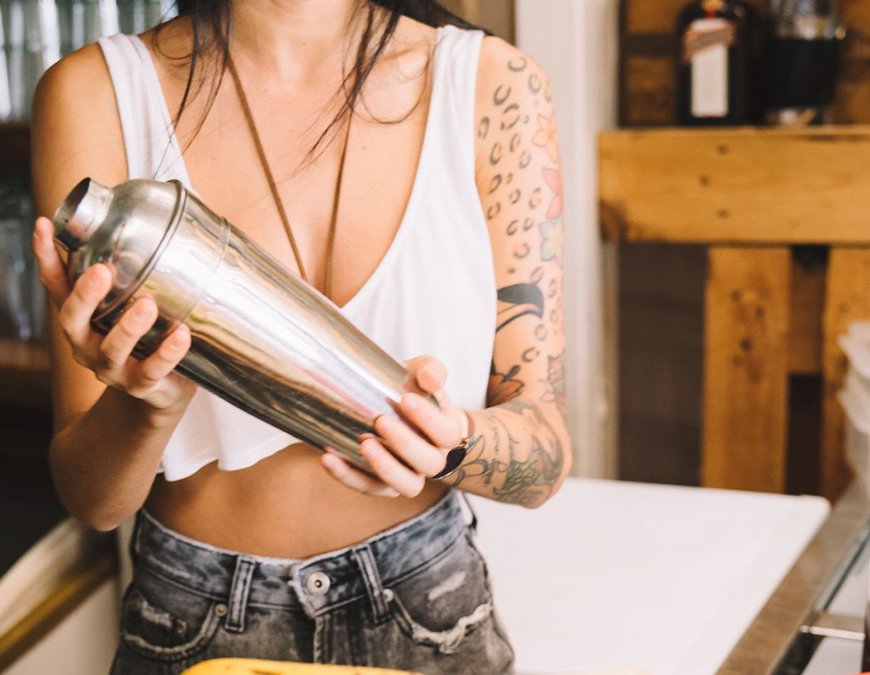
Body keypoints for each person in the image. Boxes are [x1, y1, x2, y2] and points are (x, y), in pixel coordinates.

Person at [29, 0, 572, 671]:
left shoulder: (492, 85)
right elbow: (93, 500)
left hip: (429, 609)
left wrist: (448, 444)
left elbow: (544, 458)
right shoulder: (98, 92)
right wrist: (148, 403)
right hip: (197, 621)